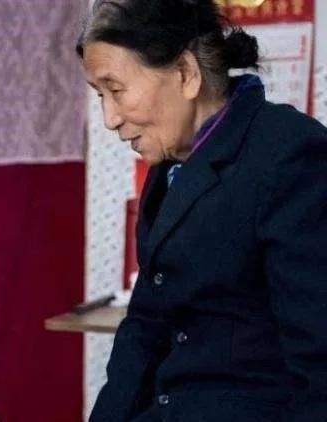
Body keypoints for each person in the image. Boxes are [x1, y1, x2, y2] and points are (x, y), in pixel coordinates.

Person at [76, 1, 327, 421]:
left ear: (185, 73)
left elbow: (319, 360)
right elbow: (145, 326)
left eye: (115, 90)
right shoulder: (170, 167)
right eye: (100, 95)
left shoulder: (290, 154)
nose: (109, 118)